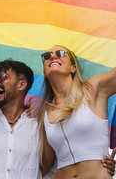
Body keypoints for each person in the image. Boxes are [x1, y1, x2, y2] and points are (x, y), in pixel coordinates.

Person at [37, 45, 116, 178]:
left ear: (73, 68)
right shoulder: (44, 113)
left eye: (61, 53)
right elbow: (43, 167)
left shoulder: (92, 89)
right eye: (47, 56)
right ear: (44, 72)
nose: (53, 57)